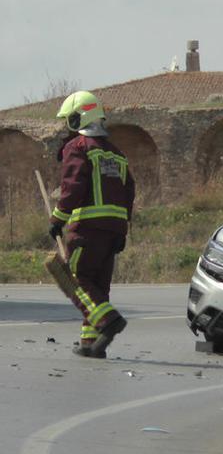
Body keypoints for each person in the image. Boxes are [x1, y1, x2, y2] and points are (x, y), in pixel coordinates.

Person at [50, 91, 135, 358]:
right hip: (113, 231)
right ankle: (93, 344)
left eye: (69, 119)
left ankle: (108, 321)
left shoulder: (78, 147)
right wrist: (122, 229)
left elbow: (72, 187)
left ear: (78, 118)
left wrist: (57, 219)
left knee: (76, 281)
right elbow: (128, 192)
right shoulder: (117, 154)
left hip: (86, 228)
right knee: (98, 286)